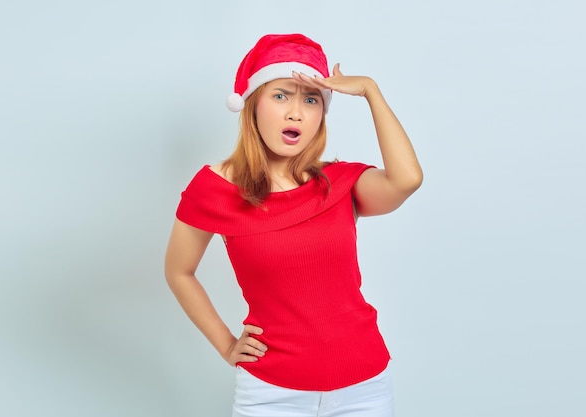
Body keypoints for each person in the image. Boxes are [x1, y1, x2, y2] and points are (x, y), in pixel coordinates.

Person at [165, 33, 423, 417]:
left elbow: (407, 180)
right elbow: (179, 272)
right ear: (253, 104)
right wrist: (225, 344)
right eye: (281, 95)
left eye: (311, 99)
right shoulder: (214, 188)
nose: (296, 113)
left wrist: (370, 91)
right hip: (270, 394)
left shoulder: (339, 183)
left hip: (364, 388)